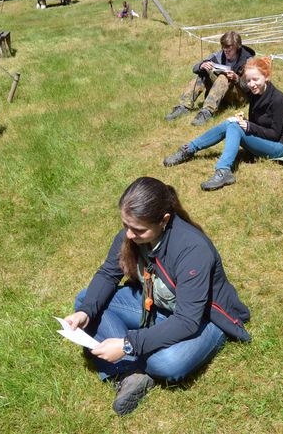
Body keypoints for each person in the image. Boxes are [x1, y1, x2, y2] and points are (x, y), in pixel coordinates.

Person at [65, 177, 251, 415]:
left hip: (204, 319)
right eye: (125, 225)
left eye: (138, 230)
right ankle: (131, 374)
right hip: (157, 307)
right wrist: (85, 313)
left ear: (164, 220)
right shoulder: (131, 235)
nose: (129, 235)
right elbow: (108, 274)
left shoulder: (192, 249)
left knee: (165, 363)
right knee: (86, 301)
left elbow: (187, 321)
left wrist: (128, 345)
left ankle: (126, 357)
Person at [163, 56, 283, 191]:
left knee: (235, 127)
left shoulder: (278, 99)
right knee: (229, 123)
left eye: (255, 79)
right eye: (248, 80)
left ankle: (224, 171)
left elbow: (275, 134)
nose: (251, 84)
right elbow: (243, 89)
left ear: (266, 77)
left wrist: (249, 126)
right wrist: (244, 122)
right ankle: (189, 149)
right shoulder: (255, 92)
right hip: (262, 137)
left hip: (278, 147)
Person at [165, 31, 255, 126]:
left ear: (237, 47)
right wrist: (202, 65)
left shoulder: (248, 61)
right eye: (224, 48)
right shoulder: (219, 55)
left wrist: (237, 78)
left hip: (239, 98)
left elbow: (252, 89)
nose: (226, 51)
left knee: (223, 77)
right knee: (202, 73)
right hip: (222, 94)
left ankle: (207, 112)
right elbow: (195, 68)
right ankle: (184, 106)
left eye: (229, 50)